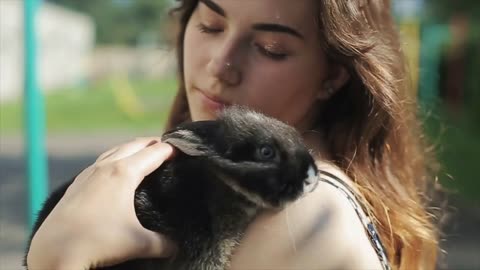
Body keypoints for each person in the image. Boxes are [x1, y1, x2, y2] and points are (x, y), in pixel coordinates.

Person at [26, 0, 440, 269]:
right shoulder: (226, 185)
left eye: (271, 48)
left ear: (332, 76)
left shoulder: (299, 217)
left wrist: (60, 259)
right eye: (209, 25)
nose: (221, 64)